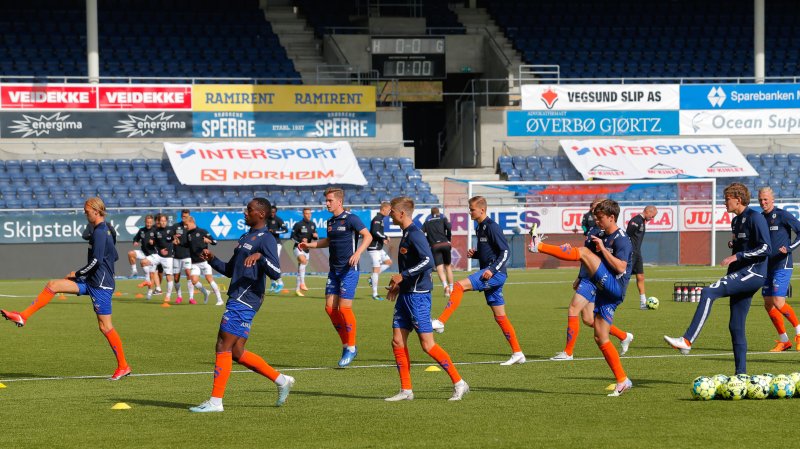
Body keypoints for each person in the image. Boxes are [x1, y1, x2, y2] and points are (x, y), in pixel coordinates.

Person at [1, 197, 131, 380]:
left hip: (101, 285)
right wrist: (89, 273)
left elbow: (96, 261)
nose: (85, 214)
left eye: (87, 211)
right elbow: (113, 256)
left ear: (96, 211)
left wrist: (77, 274)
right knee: (53, 285)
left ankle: (123, 366)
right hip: (92, 280)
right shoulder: (105, 230)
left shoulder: (101, 232)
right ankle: (23, 316)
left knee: (105, 326)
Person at [189, 198, 294, 412]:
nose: (245, 212)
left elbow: (276, 273)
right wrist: (212, 259)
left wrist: (260, 257)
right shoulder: (246, 236)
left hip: (246, 298)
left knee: (223, 345)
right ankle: (282, 380)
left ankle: (216, 402)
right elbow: (230, 270)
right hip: (238, 295)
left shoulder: (266, 238)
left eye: (249, 209)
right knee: (237, 351)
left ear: (261, 214)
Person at [529, 199, 633, 396]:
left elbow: (621, 267)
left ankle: (539, 246)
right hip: (603, 289)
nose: (597, 221)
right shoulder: (599, 234)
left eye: (600, 218)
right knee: (600, 337)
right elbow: (582, 256)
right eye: (596, 218)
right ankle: (623, 380)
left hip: (615, 286)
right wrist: (571, 253)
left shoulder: (622, 239)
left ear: (611, 217)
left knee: (584, 253)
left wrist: (602, 250)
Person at [664, 183, 771, 375]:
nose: (724, 202)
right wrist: (735, 247)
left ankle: (687, 340)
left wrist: (738, 255)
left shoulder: (755, 217)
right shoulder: (735, 221)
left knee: (708, 291)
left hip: (753, 273)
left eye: (727, 199)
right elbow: (743, 246)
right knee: (735, 326)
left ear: (738, 199)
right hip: (741, 273)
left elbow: (766, 248)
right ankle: (741, 375)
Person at [384, 196, 469, 402]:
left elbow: (428, 262)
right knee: (397, 341)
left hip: (418, 297)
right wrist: (400, 285)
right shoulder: (406, 233)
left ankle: (459, 383)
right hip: (406, 295)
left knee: (428, 345)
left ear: (401, 213)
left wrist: (403, 276)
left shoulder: (415, 234)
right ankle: (406, 390)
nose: (390, 215)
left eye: (392, 212)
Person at [431, 196, 526, 366]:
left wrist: (492, 269)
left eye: (472, 209)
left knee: (458, 286)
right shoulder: (479, 227)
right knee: (500, 317)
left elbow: (505, 252)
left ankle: (441, 322)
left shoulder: (492, 226)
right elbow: (490, 251)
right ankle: (518, 353)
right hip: (491, 272)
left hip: (494, 274)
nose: (470, 212)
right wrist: (476, 254)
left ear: (482, 210)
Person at [550, 200, 634, 361]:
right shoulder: (595, 232)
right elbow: (585, 257)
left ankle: (568, 352)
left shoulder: (616, 237)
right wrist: (580, 276)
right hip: (590, 277)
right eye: (594, 213)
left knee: (573, 309)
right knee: (588, 319)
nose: (596, 217)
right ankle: (623, 336)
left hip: (598, 280)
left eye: (599, 214)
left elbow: (615, 265)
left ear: (610, 216)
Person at [299, 187, 372, 367]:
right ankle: (346, 345)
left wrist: (358, 253)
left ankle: (351, 347)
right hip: (334, 270)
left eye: (330, 200)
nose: (327, 203)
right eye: (326, 200)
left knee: (344, 309)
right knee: (330, 309)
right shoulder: (330, 222)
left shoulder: (351, 218)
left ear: (339, 201)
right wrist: (309, 245)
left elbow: (367, 236)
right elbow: (329, 241)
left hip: (349, 270)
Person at [757, 187, 800, 352]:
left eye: (766, 199)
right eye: (760, 200)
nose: (763, 202)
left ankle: (799, 333)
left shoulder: (782, 215)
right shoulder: (760, 218)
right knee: (768, 304)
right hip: (767, 265)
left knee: (778, 301)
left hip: (783, 264)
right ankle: (784, 341)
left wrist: (789, 248)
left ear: (772, 200)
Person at [180, 216, 224, 306]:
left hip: (204, 261)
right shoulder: (188, 234)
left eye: (186, 225)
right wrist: (178, 242)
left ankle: (220, 300)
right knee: (194, 281)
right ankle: (206, 292)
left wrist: (209, 241)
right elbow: (186, 245)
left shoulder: (202, 231)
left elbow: (215, 242)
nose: (185, 227)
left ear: (192, 222)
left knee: (209, 279)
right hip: (194, 263)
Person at [626, 205, 658, 310]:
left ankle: (643, 303)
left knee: (640, 276)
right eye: (652, 216)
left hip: (637, 253)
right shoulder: (636, 221)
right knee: (625, 277)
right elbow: (627, 236)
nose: (652, 218)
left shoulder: (642, 221)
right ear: (648, 211)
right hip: (631, 252)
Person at [422, 206, 454, 297]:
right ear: (439, 213)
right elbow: (449, 227)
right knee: (448, 266)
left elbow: (421, 232)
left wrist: (428, 240)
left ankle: (445, 286)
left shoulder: (427, 222)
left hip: (435, 246)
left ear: (431, 214)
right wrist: (448, 238)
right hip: (445, 244)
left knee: (439, 267)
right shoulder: (443, 219)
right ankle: (451, 289)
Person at [367, 202, 393, 300]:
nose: (389, 212)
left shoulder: (380, 219)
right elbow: (375, 232)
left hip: (378, 247)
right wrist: (385, 236)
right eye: (389, 210)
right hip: (374, 248)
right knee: (376, 270)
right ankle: (375, 294)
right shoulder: (377, 219)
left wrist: (382, 239)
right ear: (384, 209)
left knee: (388, 262)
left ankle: (372, 278)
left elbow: (377, 233)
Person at [149, 214, 176, 304]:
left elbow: (174, 241)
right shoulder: (156, 231)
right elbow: (155, 243)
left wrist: (168, 249)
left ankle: (168, 296)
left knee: (168, 276)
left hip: (168, 256)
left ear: (166, 221)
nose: (163, 222)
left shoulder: (171, 230)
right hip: (158, 255)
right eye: (162, 221)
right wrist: (152, 242)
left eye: (165, 221)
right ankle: (151, 286)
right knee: (146, 263)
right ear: (159, 222)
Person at [290, 207, 317, 297]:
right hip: (298, 248)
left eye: (309, 213)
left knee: (301, 269)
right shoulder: (298, 224)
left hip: (307, 249)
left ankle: (297, 290)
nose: (308, 215)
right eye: (306, 213)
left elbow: (314, 237)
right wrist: (300, 241)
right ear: (303, 214)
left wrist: (315, 236)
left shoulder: (313, 224)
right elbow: (292, 237)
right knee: (303, 261)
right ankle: (302, 283)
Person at [171, 209, 193, 304]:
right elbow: (168, 236)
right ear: (181, 216)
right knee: (176, 278)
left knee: (188, 273)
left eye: (186, 217)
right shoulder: (176, 226)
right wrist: (172, 239)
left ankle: (191, 298)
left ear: (189, 217)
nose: (184, 218)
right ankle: (179, 296)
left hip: (187, 255)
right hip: (176, 256)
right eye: (183, 216)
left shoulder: (191, 227)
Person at [267, 205, 288, 294]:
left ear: (275, 212)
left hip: (277, 243)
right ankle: (273, 282)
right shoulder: (266, 219)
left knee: (274, 262)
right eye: (271, 212)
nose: (272, 213)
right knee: (267, 263)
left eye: (274, 212)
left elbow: (285, 230)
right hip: (268, 244)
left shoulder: (278, 220)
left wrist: (275, 231)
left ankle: (280, 282)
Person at [128, 214, 155, 281]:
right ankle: (134, 271)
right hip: (143, 252)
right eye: (147, 222)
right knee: (131, 253)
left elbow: (160, 241)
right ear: (145, 222)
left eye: (150, 223)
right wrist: (135, 241)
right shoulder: (142, 230)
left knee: (151, 275)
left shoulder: (155, 230)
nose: (148, 224)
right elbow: (136, 238)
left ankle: (150, 282)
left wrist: (154, 242)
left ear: (152, 222)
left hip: (152, 255)